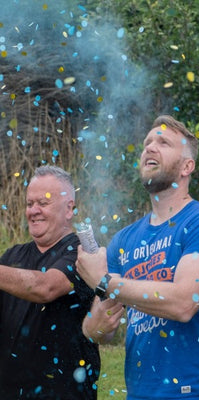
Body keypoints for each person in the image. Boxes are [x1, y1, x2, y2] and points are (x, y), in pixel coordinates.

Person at [76, 115, 199, 400]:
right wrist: (97, 325)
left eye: (163, 142)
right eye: (147, 142)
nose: (150, 147)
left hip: (194, 394)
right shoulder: (123, 240)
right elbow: (97, 326)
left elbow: (185, 302)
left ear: (188, 166)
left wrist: (104, 281)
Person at [0, 165, 100, 399]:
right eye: (29, 204)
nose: (33, 211)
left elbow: (45, 287)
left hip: (64, 391)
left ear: (69, 209)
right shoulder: (11, 256)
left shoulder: (84, 254)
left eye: (42, 204)